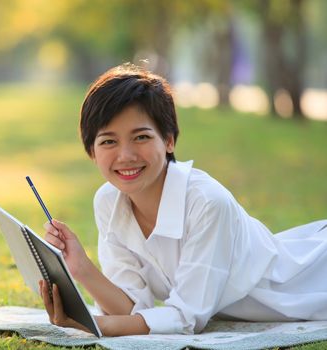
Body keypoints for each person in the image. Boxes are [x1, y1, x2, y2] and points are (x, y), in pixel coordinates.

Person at [38, 63, 327, 336]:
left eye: (140, 137)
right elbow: (133, 310)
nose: (125, 155)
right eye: (108, 141)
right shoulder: (108, 201)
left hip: (308, 285)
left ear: (169, 140)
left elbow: (186, 318)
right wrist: (81, 269)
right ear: (92, 151)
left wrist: (93, 326)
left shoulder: (208, 203)